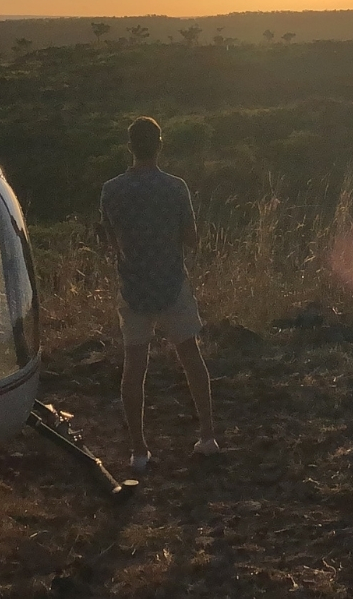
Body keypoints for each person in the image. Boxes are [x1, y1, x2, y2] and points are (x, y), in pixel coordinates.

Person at [98, 116, 219, 473]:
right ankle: (208, 435)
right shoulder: (176, 188)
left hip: (133, 287)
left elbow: (107, 240)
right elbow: (192, 239)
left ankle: (138, 450)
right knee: (191, 358)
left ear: (130, 147)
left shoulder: (111, 190)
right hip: (172, 284)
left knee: (134, 367)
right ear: (160, 144)